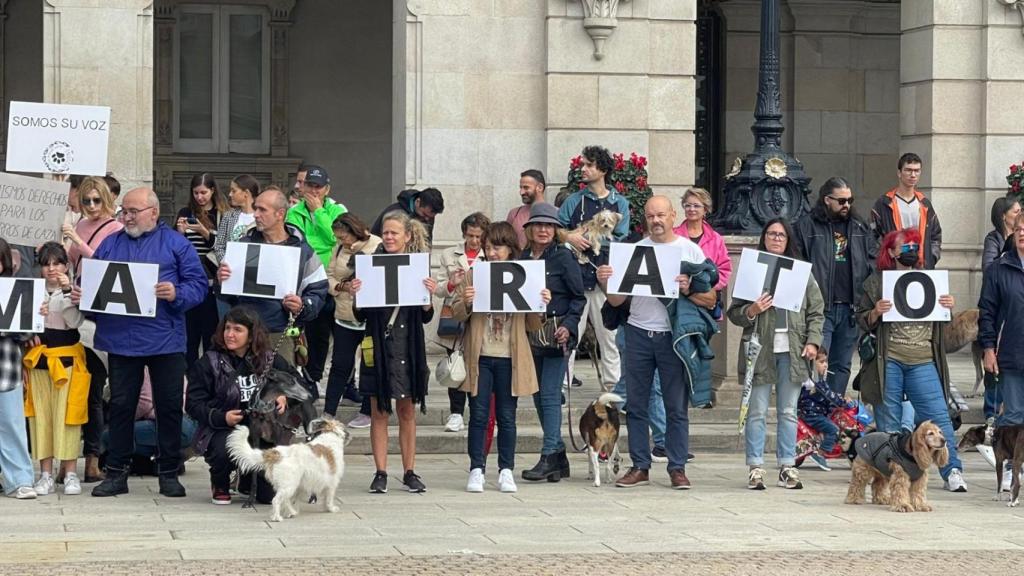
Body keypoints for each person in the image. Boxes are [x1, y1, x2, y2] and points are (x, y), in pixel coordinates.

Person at [74, 188, 208, 498]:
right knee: (121, 407)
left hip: (166, 340)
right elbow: (91, 283)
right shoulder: (111, 243)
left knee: (170, 407)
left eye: (134, 211)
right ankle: (117, 473)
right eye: (125, 210)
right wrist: (83, 294)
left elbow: (198, 284)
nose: (127, 216)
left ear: (153, 212)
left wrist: (177, 294)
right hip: (121, 341)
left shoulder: (176, 244)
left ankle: (169, 472)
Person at [598, 196, 715, 490]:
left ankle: (677, 467)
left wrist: (688, 289)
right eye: (651, 216)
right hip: (638, 333)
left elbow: (711, 299)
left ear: (673, 215)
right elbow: (616, 300)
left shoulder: (690, 250)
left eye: (661, 215)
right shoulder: (635, 251)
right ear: (645, 220)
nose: (656, 221)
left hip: (672, 338)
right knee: (636, 405)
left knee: (676, 406)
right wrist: (605, 282)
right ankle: (640, 466)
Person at [855, 227, 966, 492]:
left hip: (923, 360)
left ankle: (952, 470)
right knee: (889, 424)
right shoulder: (876, 282)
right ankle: (893, 476)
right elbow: (861, 319)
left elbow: (942, 322)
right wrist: (875, 312)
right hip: (889, 359)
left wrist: (948, 307)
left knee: (938, 417)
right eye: (905, 247)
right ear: (891, 251)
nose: (911, 252)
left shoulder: (930, 278)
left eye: (915, 246)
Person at [727, 218, 823, 491]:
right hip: (760, 349)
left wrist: (813, 343)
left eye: (781, 235)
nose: (777, 238)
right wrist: (752, 310)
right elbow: (735, 313)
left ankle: (787, 465)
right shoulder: (752, 270)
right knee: (756, 410)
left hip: (792, 350)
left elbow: (817, 311)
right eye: (771, 234)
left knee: (788, 410)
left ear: (788, 239)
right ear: (764, 237)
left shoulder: (802, 272)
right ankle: (755, 466)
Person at [452, 222, 547, 493]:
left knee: (507, 416)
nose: (492, 253)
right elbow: (457, 313)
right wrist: (467, 301)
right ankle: (476, 468)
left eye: (498, 247)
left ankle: (506, 469)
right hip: (480, 355)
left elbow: (533, 325)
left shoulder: (524, 274)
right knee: (479, 415)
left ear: (510, 249)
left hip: (510, 356)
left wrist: (540, 305)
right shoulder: (475, 274)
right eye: (488, 247)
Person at [347, 211, 436, 494]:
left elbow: (425, 316)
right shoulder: (369, 265)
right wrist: (357, 294)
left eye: (395, 232)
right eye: (385, 232)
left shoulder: (416, 267)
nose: (388, 237)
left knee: (407, 410)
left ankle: (410, 471)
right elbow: (360, 315)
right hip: (379, 345)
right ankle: (381, 471)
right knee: (379, 411)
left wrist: (428, 298)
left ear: (407, 236)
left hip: (407, 346)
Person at [186, 306, 294, 505]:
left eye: (237, 329)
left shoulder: (269, 359)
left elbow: (302, 389)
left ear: (251, 335)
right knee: (224, 447)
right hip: (223, 429)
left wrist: (282, 394)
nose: (230, 334)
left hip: (262, 432)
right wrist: (221, 417)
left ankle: (246, 480)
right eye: (227, 328)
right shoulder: (208, 362)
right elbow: (192, 404)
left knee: (268, 497)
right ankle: (220, 482)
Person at [217, 188, 328, 366]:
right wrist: (221, 281)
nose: (255, 214)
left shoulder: (303, 251)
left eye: (262, 210)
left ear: (280, 214)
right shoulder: (243, 246)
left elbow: (318, 290)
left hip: (279, 333)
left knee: (280, 389)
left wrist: (302, 306)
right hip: (243, 333)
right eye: (255, 209)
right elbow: (227, 296)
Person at [62, 175, 121, 483]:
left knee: (95, 390)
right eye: (87, 201)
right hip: (77, 301)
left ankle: (93, 461)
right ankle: (64, 459)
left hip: (101, 311)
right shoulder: (79, 224)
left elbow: (105, 264)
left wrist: (77, 240)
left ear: (107, 200)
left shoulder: (115, 229)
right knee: (72, 388)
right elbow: (69, 262)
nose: (92, 206)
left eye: (97, 200)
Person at [519, 203, 585, 482]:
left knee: (548, 394)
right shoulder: (521, 258)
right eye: (538, 225)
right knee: (536, 394)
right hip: (529, 334)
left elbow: (578, 297)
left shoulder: (563, 257)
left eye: (549, 225)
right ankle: (558, 455)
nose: (543, 230)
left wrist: (569, 326)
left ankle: (548, 455)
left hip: (557, 333)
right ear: (530, 229)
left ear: (556, 230)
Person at [793, 177, 875, 396]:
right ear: (827, 199)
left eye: (850, 200)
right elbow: (798, 262)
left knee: (841, 366)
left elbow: (872, 259)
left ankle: (834, 412)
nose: (847, 205)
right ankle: (813, 414)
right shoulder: (807, 225)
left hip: (850, 307)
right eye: (841, 200)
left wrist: (866, 292)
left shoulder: (859, 225)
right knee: (817, 361)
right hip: (821, 308)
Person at [558, 145, 629, 392]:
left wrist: (595, 234)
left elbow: (622, 238)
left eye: (588, 164)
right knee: (569, 334)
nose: (583, 169)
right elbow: (557, 230)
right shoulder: (573, 201)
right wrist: (570, 238)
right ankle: (562, 386)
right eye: (583, 164)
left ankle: (613, 388)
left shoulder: (620, 203)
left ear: (602, 169)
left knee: (609, 336)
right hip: (575, 279)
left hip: (605, 279)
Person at [25, 243, 88, 497]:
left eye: (57, 263)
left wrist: (65, 291)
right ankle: (46, 473)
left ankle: (71, 471)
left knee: (67, 416)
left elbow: (75, 322)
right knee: (41, 416)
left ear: (66, 265)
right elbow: (21, 326)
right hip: (40, 359)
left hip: (68, 359)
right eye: (47, 264)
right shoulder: (31, 292)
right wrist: (34, 320)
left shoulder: (73, 292)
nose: (51, 269)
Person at [286, 165, 347, 387]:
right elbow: (297, 243)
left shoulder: (337, 211)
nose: (313, 191)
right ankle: (313, 378)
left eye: (318, 187)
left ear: (327, 189)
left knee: (341, 336)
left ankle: (346, 383)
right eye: (309, 185)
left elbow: (337, 238)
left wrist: (319, 212)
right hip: (309, 280)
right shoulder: (294, 212)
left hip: (335, 279)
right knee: (315, 334)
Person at [672, 187, 731, 407]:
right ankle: (682, 394)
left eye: (696, 205)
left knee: (700, 349)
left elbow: (724, 270)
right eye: (687, 205)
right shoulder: (674, 234)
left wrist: (710, 286)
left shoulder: (715, 239)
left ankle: (699, 395)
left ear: (705, 209)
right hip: (678, 300)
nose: (691, 209)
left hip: (704, 302)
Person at [434, 212, 490, 432]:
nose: (474, 241)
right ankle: (456, 412)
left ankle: (480, 411)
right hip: (456, 314)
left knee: (481, 364)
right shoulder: (450, 254)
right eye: (470, 235)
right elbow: (438, 289)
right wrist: (451, 283)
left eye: (478, 236)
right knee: (455, 364)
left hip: (481, 317)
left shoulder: (491, 253)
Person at [324, 213, 381, 418]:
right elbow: (329, 276)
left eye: (344, 237)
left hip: (368, 318)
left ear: (354, 231)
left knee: (369, 364)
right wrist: (341, 286)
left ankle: (367, 411)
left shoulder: (376, 245)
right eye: (338, 238)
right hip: (344, 314)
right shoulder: (338, 249)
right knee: (340, 364)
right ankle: (329, 411)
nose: (341, 241)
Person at [177, 173, 227, 366]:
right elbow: (177, 247)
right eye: (196, 193)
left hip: (211, 280)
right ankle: (188, 375)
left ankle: (208, 372)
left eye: (204, 192)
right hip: (189, 277)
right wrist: (181, 232)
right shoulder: (185, 212)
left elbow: (223, 247)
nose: (200, 197)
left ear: (212, 191)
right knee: (189, 334)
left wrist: (204, 231)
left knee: (210, 333)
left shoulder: (222, 215)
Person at [0, 238, 37, 499]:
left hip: (6, 368)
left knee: (12, 425)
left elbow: (25, 332)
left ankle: (20, 479)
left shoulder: (15, 289)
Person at [980, 213, 1024, 430]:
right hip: (1011, 352)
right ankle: (1010, 461)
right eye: (1019, 229)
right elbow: (987, 312)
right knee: (1014, 415)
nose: (1022, 233)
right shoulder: (998, 268)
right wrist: (988, 348)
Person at [870, 153, 942, 269]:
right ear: (899, 173)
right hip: (893, 267)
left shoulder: (925, 204)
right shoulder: (884, 203)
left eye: (917, 171)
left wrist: (930, 258)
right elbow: (871, 237)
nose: (913, 175)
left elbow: (936, 236)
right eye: (908, 170)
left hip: (921, 267)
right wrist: (884, 259)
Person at [797, 348, 852, 471]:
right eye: (821, 362)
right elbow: (828, 395)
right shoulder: (813, 381)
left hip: (816, 412)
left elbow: (830, 394)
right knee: (834, 430)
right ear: (812, 363)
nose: (826, 365)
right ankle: (821, 453)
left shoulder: (819, 380)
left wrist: (839, 398)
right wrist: (842, 401)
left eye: (826, 362)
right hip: (812, 414)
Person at [370, 187, 445, 245]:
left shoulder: (428, 216)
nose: (427, 219)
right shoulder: (394, 212)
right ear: (418, 202)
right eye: (424, 214)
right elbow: (376, 238)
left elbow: (427, 241)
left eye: (431, 217)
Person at [213, 174, 260, 262]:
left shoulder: (261, 216)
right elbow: (219, 246)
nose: (230, 194)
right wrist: (225, 263)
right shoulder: (228, 216)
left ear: (246, 193)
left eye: (234, 191)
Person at [506, 169, 547, 250]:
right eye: (521, 188)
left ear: (540, 187)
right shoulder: (514, 214)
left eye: (526, 187)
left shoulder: (556, 213)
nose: (521, 192)